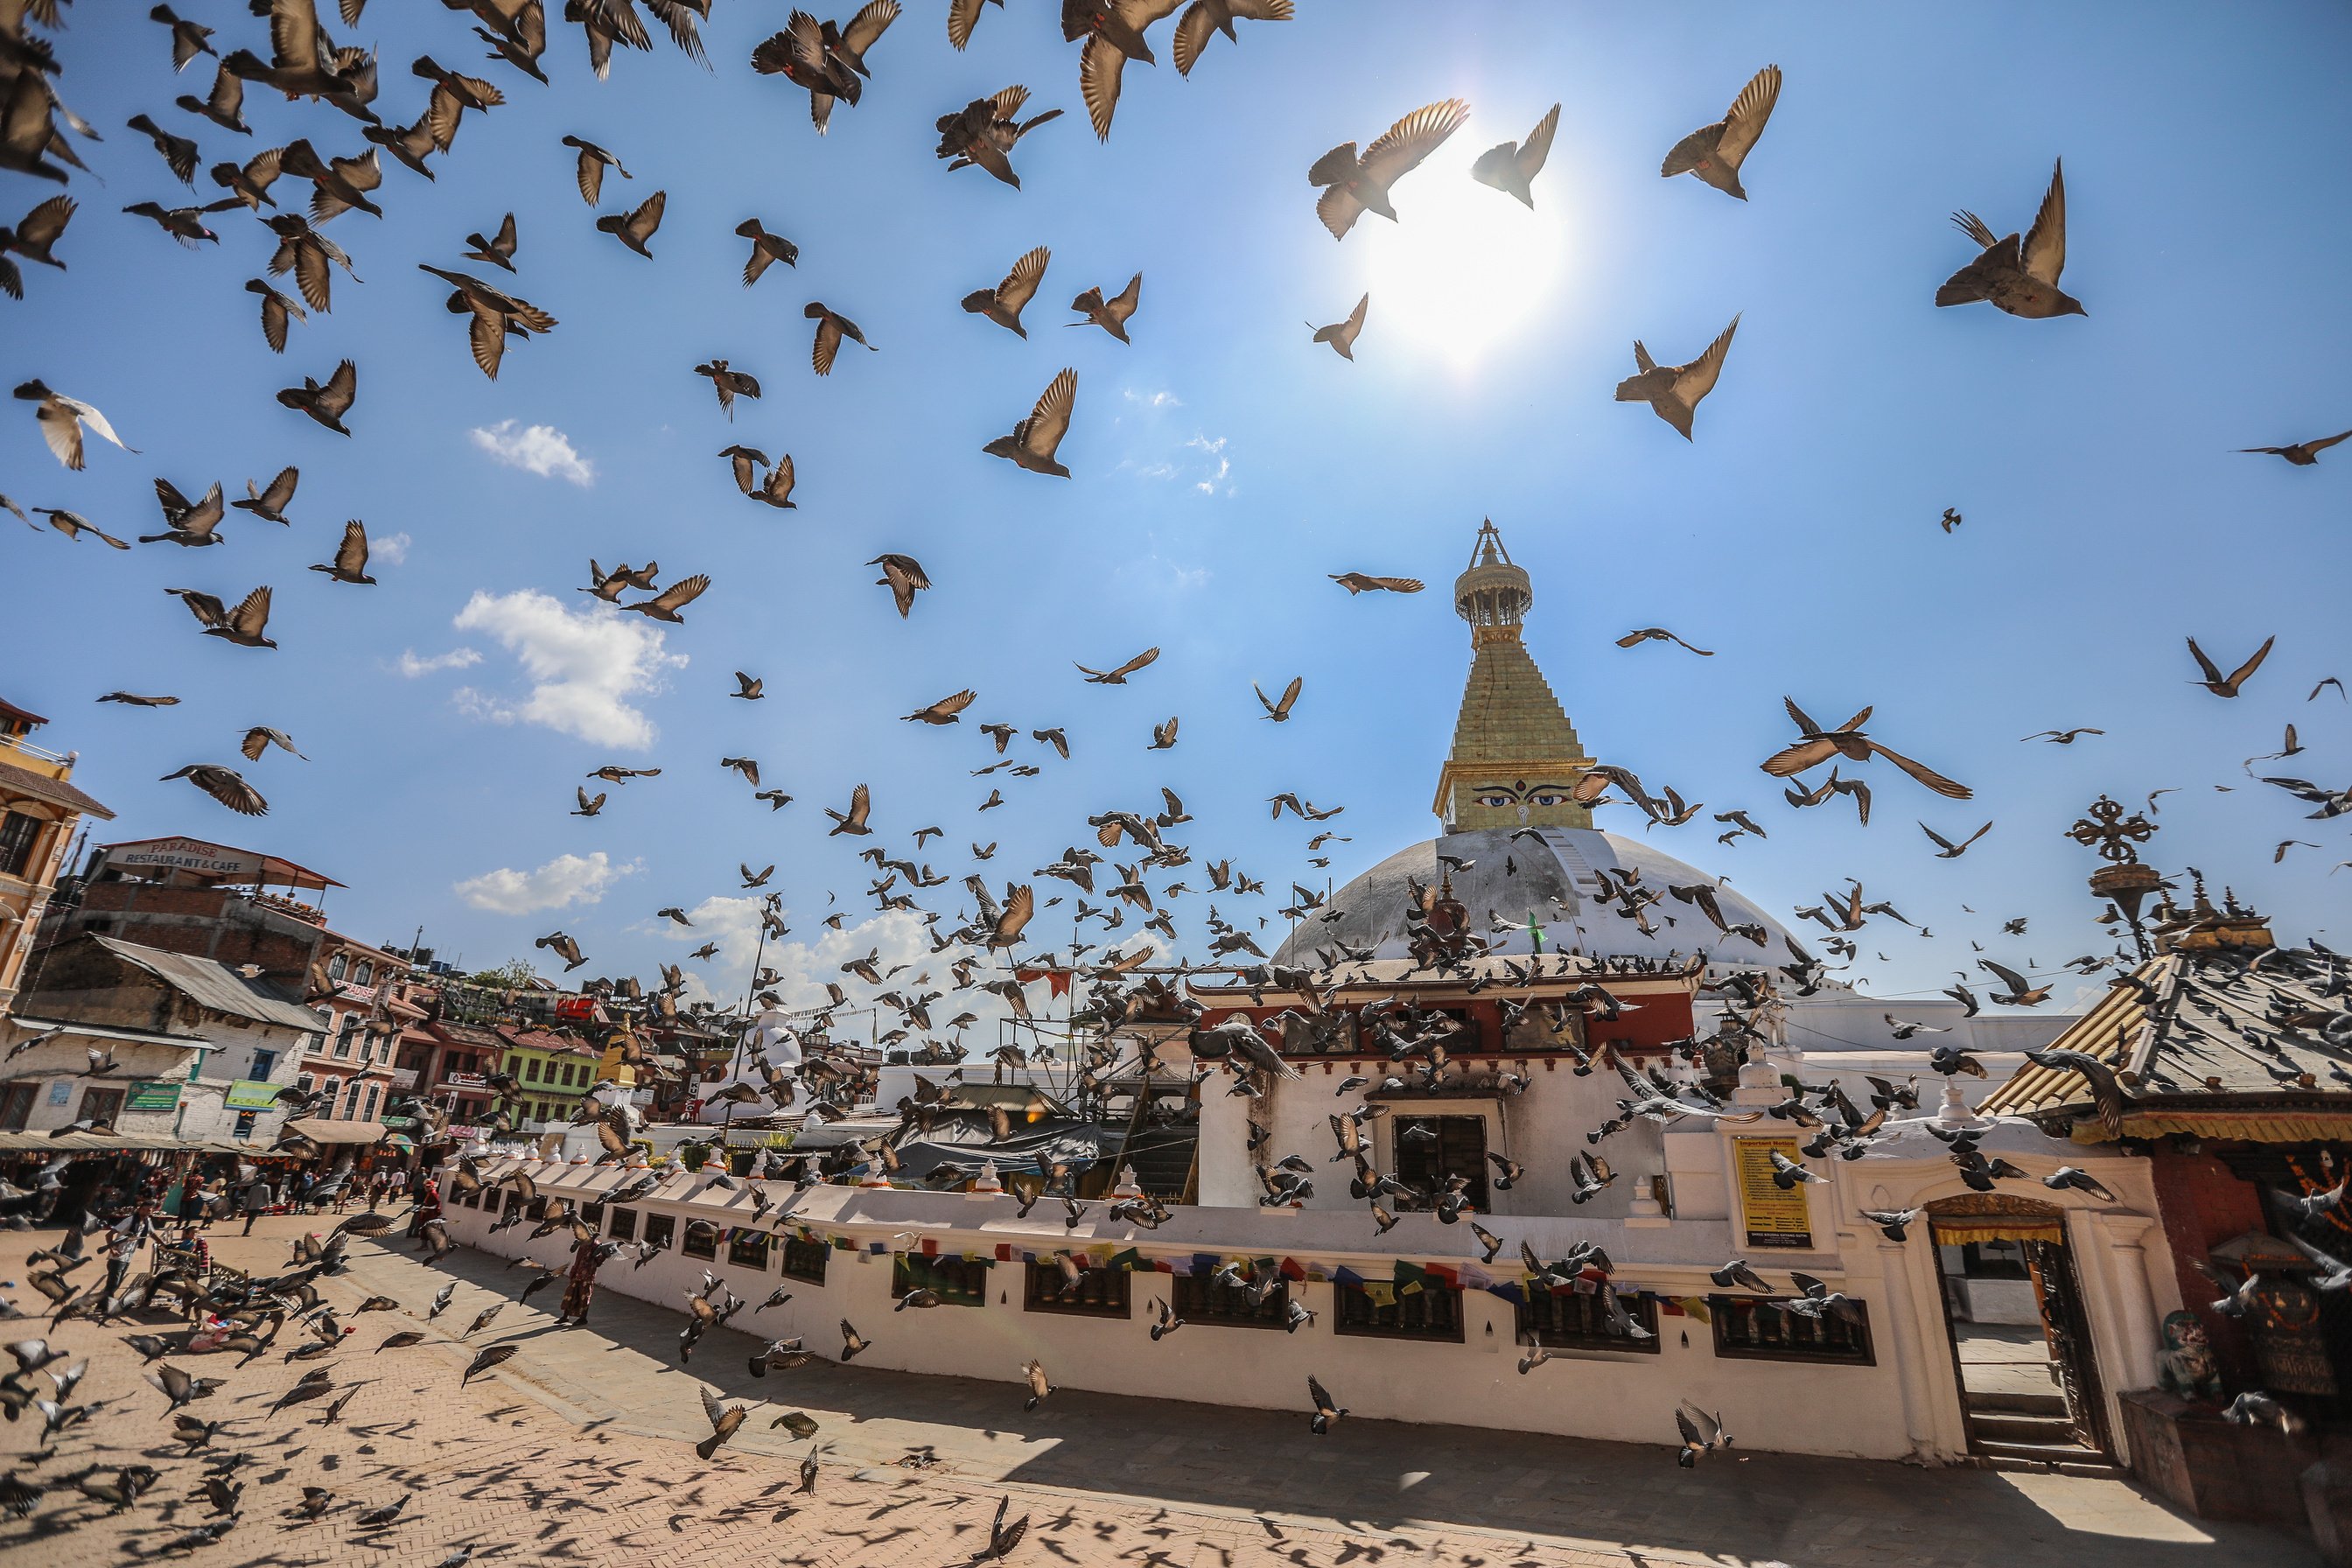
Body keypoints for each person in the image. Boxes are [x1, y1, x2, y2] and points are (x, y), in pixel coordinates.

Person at [554, 1236, 606, 1326]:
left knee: (584, 1296)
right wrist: (574, 1270)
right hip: (578, 1274)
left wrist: (604, 1255)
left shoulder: (597, 1246)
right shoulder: (583, 1244)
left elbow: (598, 1262)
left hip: (588, 1276)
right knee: (570, 1293)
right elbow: (578, 1259)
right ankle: (565, 1316)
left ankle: (583, 1318)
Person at [238, 1171, 272, 1236]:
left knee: (250, 1218)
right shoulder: (266, 1187)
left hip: (251, 1206)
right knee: (252, 1219)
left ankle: (246, 1231)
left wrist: (244, 1207)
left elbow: (248, 1198)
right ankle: (246, 1231)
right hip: (258, 1206)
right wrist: (269, 1205)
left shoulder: (252, 1188)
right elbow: (267, 1197)